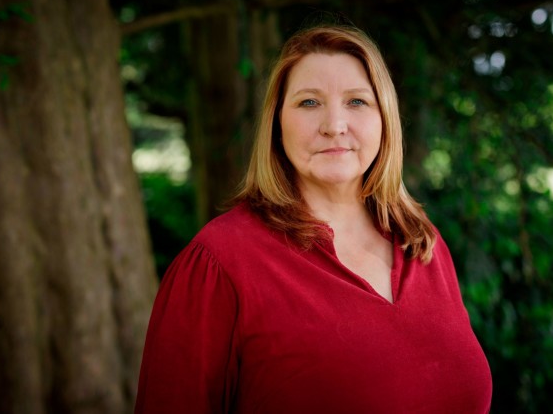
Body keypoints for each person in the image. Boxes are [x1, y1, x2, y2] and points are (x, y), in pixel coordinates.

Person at [134, 23, 493, 413]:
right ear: (276, 124)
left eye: (357, 102)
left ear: (384, 119)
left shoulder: (421, 243)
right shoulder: (220, 262)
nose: (334, 126)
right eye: (309, 102)